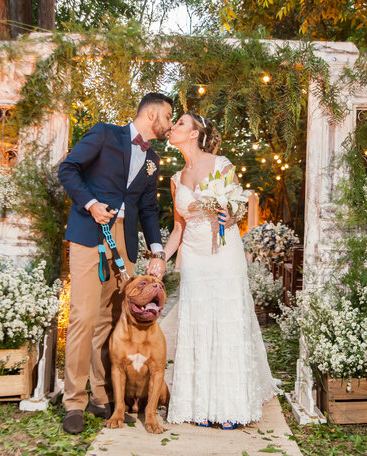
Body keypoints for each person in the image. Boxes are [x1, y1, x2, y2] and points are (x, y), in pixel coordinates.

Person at [157, 112, 281, 429]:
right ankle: (200, 403)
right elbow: (177, 229)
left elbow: (235, 210)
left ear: (195, 134)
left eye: (180, 124)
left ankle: (230, 405)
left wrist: (230, 215)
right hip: (194, 257)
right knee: (199, 321)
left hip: (223, 251)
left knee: (226, 321)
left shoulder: (221, 164)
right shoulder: (175, 179)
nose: (173, 127)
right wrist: (161, 257)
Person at [58, 93, 173, 434]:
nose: (169, 125)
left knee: (109, 319)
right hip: (89, 231)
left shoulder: (153, 159)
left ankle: (100, 394)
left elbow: (149, 209)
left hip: (124, 241)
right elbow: (68, 168)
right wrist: (91, 203)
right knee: (83, 316)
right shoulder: (106, 134)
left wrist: (157, 250)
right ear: (152, 114)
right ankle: (74, 401)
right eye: (168, 117)